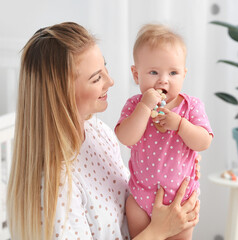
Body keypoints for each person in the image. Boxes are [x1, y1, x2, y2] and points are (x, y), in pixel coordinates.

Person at [6, 22, 200, 240]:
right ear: (63, 92)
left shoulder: (98, 132)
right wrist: (161, 230)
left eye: (105, 68)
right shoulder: (57, 184)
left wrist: (172, 170)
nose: (111, 81)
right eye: (96, 78)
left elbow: (130, 198)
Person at [115, 24, 213, 239]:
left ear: (184, 74)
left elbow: (204, 142)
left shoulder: (191, 106)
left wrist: (180, 125)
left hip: (181, 200)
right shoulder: (134, 105)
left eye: (173, 72)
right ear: (136, 74)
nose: (163, 80)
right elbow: (125, 138)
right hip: (141, 197)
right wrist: (144, 107)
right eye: (153, 72)